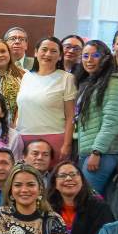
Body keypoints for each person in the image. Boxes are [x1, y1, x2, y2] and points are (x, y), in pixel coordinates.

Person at [75, 40, 118, 196]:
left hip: (103, 152)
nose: (89, 60)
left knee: (88, 199)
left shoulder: (113, 82)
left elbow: (111, 121)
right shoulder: (89, 83)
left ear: (105, 58)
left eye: (95, 55)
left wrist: (97, 152)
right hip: (87, 150)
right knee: (84, 198)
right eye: (85, 56)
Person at [15, 37, 76, 167]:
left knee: (51, 178)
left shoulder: (67, 78)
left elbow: (71, 116)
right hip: (23, 138)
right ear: (36, 52)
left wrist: (67, 144)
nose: (48, 54)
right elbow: (20, 109)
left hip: (53, 138)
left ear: (60, 56)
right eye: (44, 49)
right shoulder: (26, 76)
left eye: (53, 51)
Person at [47, 162, 114, 234]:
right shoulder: (46, 209)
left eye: (73, 174)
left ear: (82, 180)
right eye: (62, 175)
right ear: (54, 183)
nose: (69, 178)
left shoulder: (99, 207)